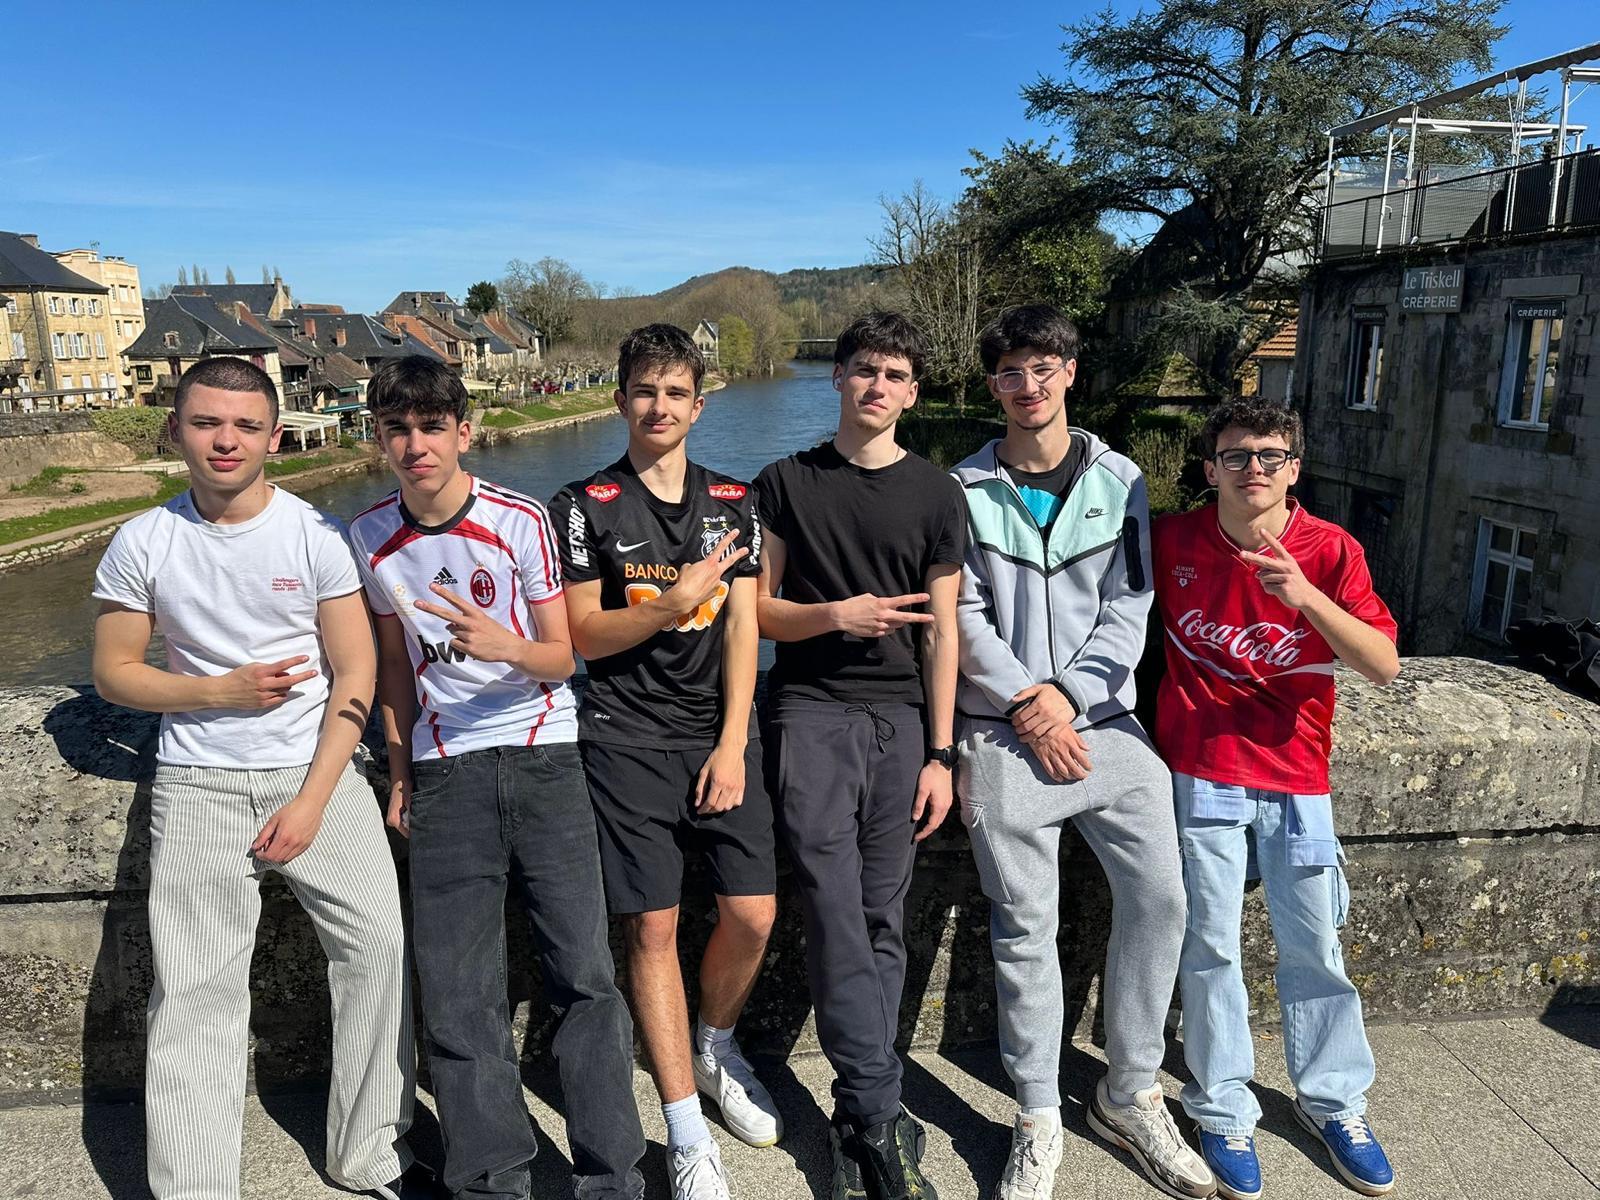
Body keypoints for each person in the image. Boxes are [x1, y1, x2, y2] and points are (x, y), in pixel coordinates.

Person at [91, 357, 429, 1200]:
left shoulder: (315, 538)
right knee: (197, 990)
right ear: (177, 430)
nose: (225, 440)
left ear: (274, 437)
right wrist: (217, 691)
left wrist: (312, 800)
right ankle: (196, 1187)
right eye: (207, 423)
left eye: (244, 426)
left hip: (313, 771)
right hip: (197, 782)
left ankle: (369, 1153)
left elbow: (354, 675)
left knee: (379, 950)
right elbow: (114, 673)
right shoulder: (145, 539)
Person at [346, 356, 645, 1200]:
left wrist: (501, 643)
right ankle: (491, 1177)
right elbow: (397, 673)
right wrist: (401, 772)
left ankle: (610, 1175)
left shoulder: (518, 519)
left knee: (583, 977)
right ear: (380, 438)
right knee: (457, 991)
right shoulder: (369, 537)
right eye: (398, 430)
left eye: (432, 427)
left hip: (544, 756)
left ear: (464, 431)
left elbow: (561, 655)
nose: (415, 446)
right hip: (445, 773)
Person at [951, 304, 1216, 1200]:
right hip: (997, 725)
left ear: (1072, 371)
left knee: (1163, 894)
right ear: (993, 386)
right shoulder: (961, 489)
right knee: (1024, 921)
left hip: (1102, 720)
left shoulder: (1122, 479)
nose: (1029, 386)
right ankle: (1036, 1110)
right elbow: (962, 617)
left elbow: (1129, 611)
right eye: (1011, 373)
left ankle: (1129, 1090)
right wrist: (1030, 705)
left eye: (1044, 367)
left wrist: (1068, 698)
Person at [549, 324, 781, 1200]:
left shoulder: (734, 500)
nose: (660, 407)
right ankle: (686, 1130)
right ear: (620, 399)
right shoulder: (585, 501)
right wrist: (673, 601)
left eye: (676, 392)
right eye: (645, 391)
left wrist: (732, 742)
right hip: (624, 734)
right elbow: (582, 634)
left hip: (717, 734)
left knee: (753, 914)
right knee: (651, 927)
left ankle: (715, 1048)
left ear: (699, 403)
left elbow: (745, 627)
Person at [1153, 399, 1400, 1200]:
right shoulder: (1173, 541)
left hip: (1299, 777)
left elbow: (1384, 665)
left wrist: (1305, 598)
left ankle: (1335, 1102)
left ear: (1294, 467)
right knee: (1212, 946)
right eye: (1235, 455)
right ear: (1210, 469)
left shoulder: (1330, 550)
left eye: (1268, 454)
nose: (1251, 468)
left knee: (1316, 949)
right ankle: (1222, 1107)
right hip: (1205, 767)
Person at [754, 311, 963, 1200]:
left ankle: (855, 1110)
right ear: (837, 378)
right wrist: (837, 616)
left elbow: (944, 635)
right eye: (864, 369)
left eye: (895, 375)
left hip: (901, 727)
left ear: (913, 393)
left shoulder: (936, 494)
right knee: (839, 913)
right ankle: (879, 1117)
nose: (878, 386)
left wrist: (943, 754)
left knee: (882, 913)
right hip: (810, 715)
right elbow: (756, 613)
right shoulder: (786, 482)